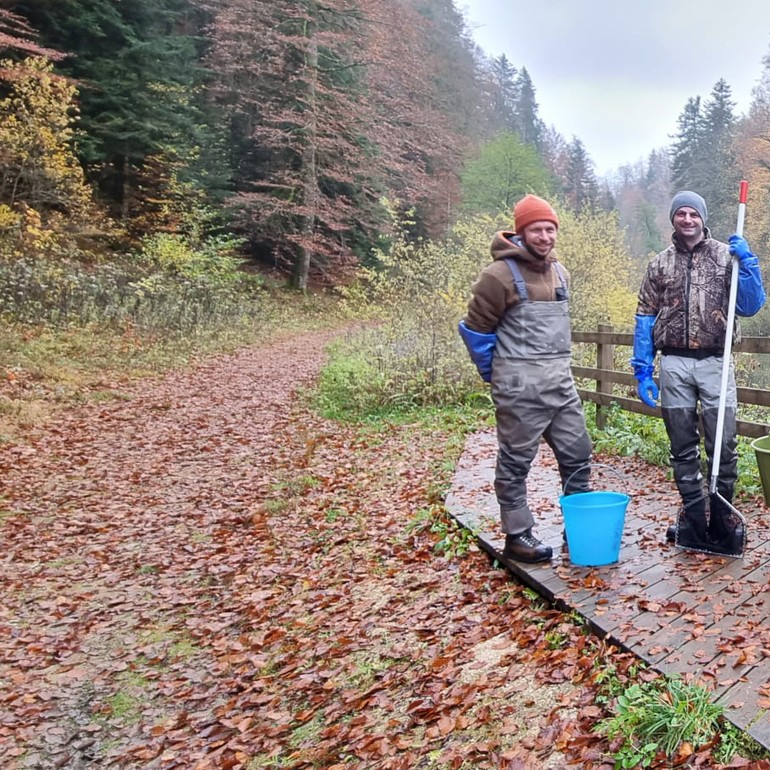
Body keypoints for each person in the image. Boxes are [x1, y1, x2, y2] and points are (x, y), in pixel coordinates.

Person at [458, 194, 592, 564]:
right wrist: (498, 376)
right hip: (519, 389)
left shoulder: (560, 272)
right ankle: (517, 535)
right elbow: (475, 331)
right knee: (516, 461)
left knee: (578, 455)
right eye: (537, 229)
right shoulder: (497, 276)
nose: (545, 236)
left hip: (560, 386)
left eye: (550, 229)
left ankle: (577, 525)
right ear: (521, 232)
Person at [631, 190, 766, 552]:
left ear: (703, 219)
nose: (687, 219)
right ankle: (693, 519)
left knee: (722, 444)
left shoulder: (727, 256)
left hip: (715, 362)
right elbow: (644, 316)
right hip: (673, 363)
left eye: (694, 214)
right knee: (681, 445)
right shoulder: (659, 264)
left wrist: (749, 264)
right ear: (673, 219)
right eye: (681, 214)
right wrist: (643, 368)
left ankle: (722, 521)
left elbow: (751, 306)